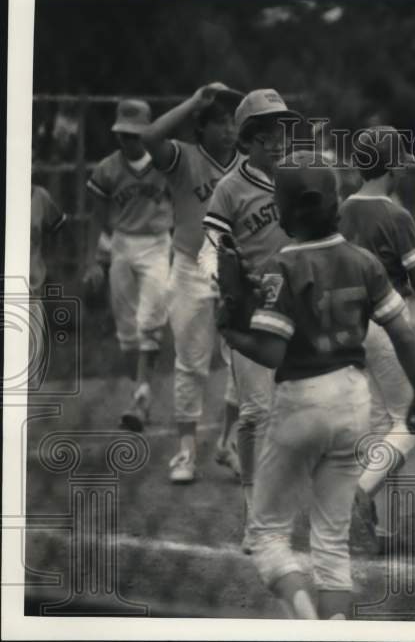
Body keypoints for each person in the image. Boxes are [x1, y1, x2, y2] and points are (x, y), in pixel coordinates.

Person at [222, 150, 415, 619]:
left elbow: (272, 352)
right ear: (336, 204)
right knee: (332, 543)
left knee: (268, 535)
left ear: (283, 210)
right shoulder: (362, 261)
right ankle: (335, 621)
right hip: (353, 400)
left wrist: (231, 331)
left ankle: (306, 618)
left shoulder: (282, 265)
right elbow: (401, 331)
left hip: (301, 399)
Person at [201, 89, 301, 529]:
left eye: (281, 132)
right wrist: (225, 285)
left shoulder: (298, 178)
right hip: (252, 311)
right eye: (267, 135)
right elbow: (212, 247)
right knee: (256, 412)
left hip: (299, 307)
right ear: (248, 140)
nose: (278, 142)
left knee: (299, 409)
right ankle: (253, 513)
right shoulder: (230, 188)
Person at [141, 82, 244, 482]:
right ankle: (185, 450)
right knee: (191, 362)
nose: (228, 131)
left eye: (232, 124)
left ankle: (230, 441)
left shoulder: (248, 163)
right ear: (201, 129)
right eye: (218, 124)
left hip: (236, 270)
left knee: (244, 360)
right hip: (189, 267)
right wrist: (195, 101)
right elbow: (150, 136)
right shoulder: (183, 157)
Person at [338, 125, 415, 551]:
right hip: (387, 322)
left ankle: (380, 529)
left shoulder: (341, 209)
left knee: (381, 424)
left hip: (347, 323)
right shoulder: (396, 215)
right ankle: (359, 491)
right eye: (404, 158)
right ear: (392, 165)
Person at [81, 99, 172, 430]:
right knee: (127, 334)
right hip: (121, 244)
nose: (129, 141)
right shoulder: (107, 169)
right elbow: (96, 218)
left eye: (136, 135)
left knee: (150, 318)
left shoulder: (165, 165)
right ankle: (141, 391)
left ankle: (141, 399)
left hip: (157, 243)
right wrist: (93, 260)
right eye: (124, 134)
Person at [29, 183, 68, 391]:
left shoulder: (40, 196)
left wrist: (52, 261)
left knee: (30, 373)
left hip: (31, 281)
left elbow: (58, 225)